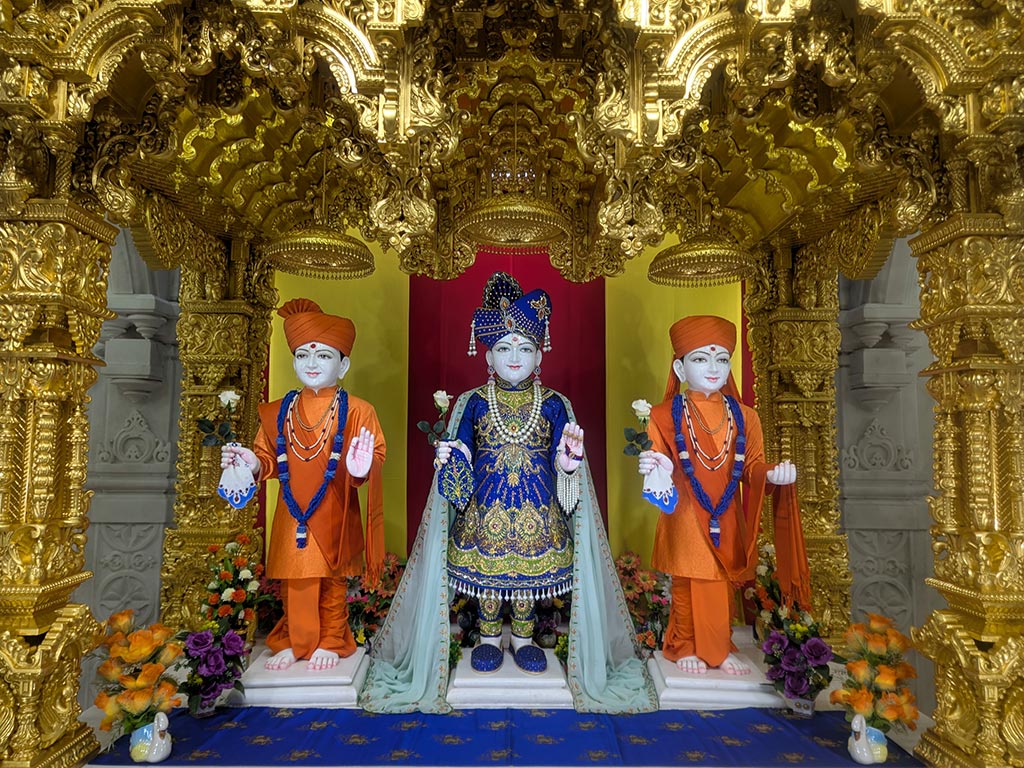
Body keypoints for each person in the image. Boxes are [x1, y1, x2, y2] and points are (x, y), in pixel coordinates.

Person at [360, 272, 656, 714]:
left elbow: (564, 460)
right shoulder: (473, 401)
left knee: (526, 581)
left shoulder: (555, 403)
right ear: (487, 355)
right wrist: (450, 452)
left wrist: (571, 460)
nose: (513, 357)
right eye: (503, 348)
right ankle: (487, 637)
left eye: (523, 348)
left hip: (539, 509)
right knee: (488, 577)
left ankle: (522, 638)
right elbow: (461, 445)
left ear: (540, 353)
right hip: (486, 507)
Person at [638, 315, 810, 675]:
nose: (713, 367)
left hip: (726, 511)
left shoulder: (745, 416)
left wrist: (771, 474)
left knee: (720, 580)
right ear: (679, 367)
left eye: (721, 359)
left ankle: (719, 645)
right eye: (700, 359)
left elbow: (751, 467)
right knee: (689, 576)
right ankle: (683, 643)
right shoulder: (662, 415)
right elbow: (657, 460)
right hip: (685, 511)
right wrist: (657, 466)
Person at [222, 298, 385, 672]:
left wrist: (361, 467)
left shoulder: (358, 409)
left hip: (334, 504)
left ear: (343, 364)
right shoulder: (278, 409)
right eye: (303, 356)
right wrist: (252, 464)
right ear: (293, 361)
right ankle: (294, 642)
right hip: (292, 506)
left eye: (323, 356)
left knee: (332, 579)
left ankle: (331, 639)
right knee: (295, 579)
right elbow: (268, 459)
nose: (312, 364)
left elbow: (373, 455)